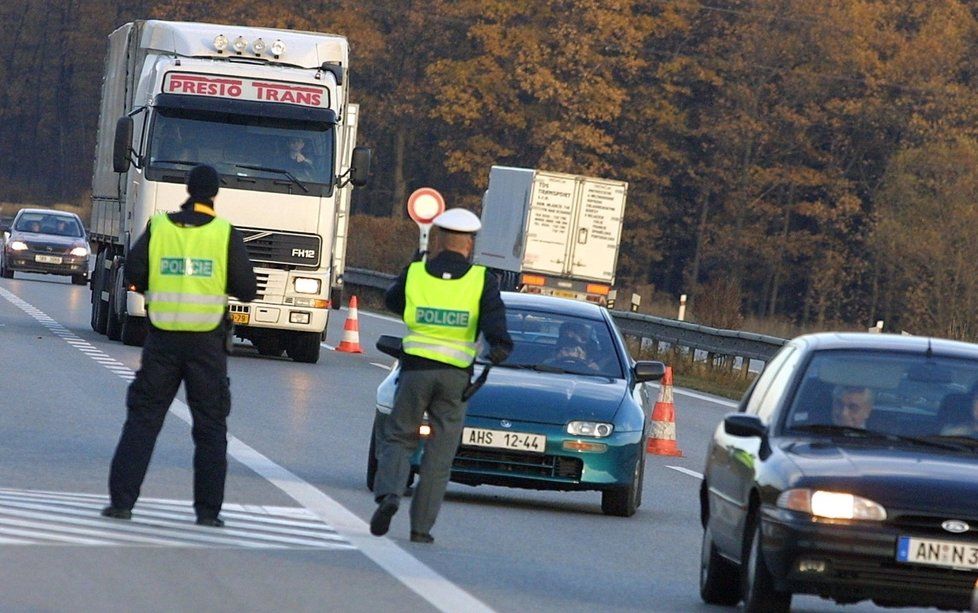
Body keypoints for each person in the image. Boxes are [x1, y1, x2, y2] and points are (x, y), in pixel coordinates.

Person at [101, 164, 257, 527]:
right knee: (210, 429)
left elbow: (134, 272)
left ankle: (122, 504)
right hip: (206, 345)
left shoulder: (159, 227)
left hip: (162, 341)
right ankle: (207, 513)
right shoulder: (224, 233)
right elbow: (247, 289)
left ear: (187, 189)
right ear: (215, 193)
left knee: (143, 420)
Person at [370, 207, 513, 544]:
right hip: (454, 380)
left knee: (399, 436)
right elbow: (497, 330)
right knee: (439, 454)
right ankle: (421, 529)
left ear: (439, 239)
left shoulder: (417, 273)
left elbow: (392, 302)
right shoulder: (482, 281)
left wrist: (412, 267)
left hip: (416, 371)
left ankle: (389, 494)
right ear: (469, 244)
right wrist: (498, 349)